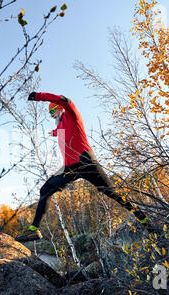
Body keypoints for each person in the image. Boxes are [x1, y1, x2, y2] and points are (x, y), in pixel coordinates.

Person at [15, 92, 153, 242]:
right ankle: (34, 230)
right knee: (45, 190)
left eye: (52, 111)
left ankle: (145, 220)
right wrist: (53, 133)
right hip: (70, 168)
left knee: (113, 193)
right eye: (49, 114)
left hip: (86, 162)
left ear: (60, 108)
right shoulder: (60, 127)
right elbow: (62, 133)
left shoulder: (72, 115)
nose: (51, 116)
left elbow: (65, 99)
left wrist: (38, 96)